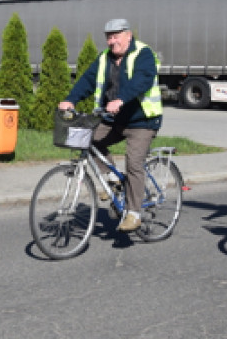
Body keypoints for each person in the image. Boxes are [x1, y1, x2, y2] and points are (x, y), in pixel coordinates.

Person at [58, 18, 163, 232]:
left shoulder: (143, 53)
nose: (112, 41)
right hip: (113, 119)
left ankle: (134, 213)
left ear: (128, 35)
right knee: (87, 139)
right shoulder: (104, 58)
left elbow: (142, 80)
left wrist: (121, 99)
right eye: (108, 37)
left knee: (133, 163)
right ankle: (114, 178)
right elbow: (87, 80)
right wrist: (71, 99)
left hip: (141, 121)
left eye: (116, 36)